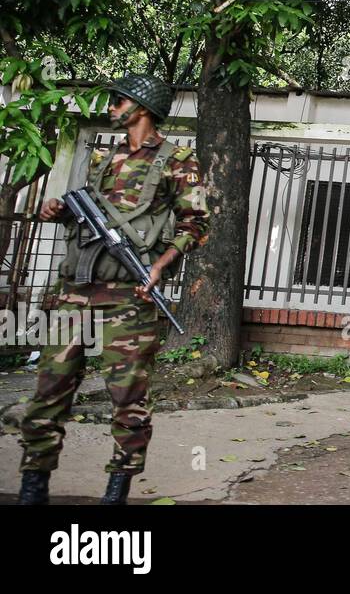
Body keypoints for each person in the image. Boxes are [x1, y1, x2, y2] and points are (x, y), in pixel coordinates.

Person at [18, 73, 210, 505]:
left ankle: (117, 488)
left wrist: (160, 267)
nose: (111, 106)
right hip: (76, 292)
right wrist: (59, 210)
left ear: (141, 107)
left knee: (127, 399)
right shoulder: (104, 159)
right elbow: (87, 217)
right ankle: (34, 484)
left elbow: (196, 225)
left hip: (129, 298)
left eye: (118, 100)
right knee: (48, 391)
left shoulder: (176, 160)